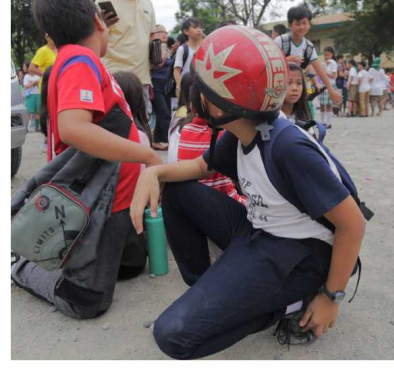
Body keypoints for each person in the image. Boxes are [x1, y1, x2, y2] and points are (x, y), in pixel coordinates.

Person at [130, 25, 366, 359]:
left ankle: (289, 305)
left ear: (225, 103)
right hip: (259, 230)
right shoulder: (242, 130)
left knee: (174, 337)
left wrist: (331, 297)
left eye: (202, 88)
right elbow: (199, 167)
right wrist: (154, 172)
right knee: (179, 191)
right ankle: (211, 287)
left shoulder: (287, 147)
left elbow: (353, 224)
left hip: (300, 255)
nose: (194, 94)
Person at [12, 0, 160, 320]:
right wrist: (148, 155)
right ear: (98, 21)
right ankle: (21, 267)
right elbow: (74, 129)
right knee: (86, 300)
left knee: (131, 267)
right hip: (95, 207)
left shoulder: (79, 61)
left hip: (116, 202)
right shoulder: (80, 59)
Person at [96, 0, 159, 128]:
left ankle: (140, 150)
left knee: (142, 122)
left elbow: (152, 35)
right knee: (114, 122)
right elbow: (95, 37)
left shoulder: (146, 2)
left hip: (142, 76)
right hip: (114, 74)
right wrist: (102, 25)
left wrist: (158, 53)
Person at [274, 5, 342, 106]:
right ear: (290, 25)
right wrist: (287, 60)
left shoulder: (309, 47)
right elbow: (269, 64)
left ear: (309, 24)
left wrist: (331, 90)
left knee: (301, 116)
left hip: (298, 89)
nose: (302, 27)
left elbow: (320, 71)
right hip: (280, 89)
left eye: (305, 23)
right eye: (297, 24)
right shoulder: (280, 41)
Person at [149, 24, 172, 150]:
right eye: (160, 31)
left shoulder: (167, 48)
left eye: (165, 31)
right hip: (155, 83)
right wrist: (162, 53)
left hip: (166, 84)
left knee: (164, 112)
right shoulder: (154, 47)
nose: (164, 34)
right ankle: (163, 140)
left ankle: (157, 140)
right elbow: (155, 65)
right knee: (164, 114)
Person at [173, 18, 204, 100]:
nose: (199, 30)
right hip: (186, 88)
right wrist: (181, 87)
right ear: (186, 31)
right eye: (195, 27)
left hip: (200, 87)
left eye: (200, 27)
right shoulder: (182, 49)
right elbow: (176, 71)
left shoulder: (203, 48)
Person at [320, 47, 338, 128]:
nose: (326, 56)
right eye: (325, 55)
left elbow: (333, 75)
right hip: (323, 85)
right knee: (322, 104)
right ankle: (322, 122)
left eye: (328, 55)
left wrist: (324, 72)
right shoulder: (324, 63)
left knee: (328, 104)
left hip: (330, 85)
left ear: (332, 54)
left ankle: (328, 122)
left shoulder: (333, 63)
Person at [22, 62, 41, 132]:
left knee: (38, 112)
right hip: (30, 96)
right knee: (28, 112)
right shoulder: (26, 76)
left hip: (38, 95)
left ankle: (37, 127)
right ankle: (26, 128)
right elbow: (26, 86)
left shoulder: (38, 76)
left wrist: (33, 83)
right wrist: (34, 83)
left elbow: (39, 85)